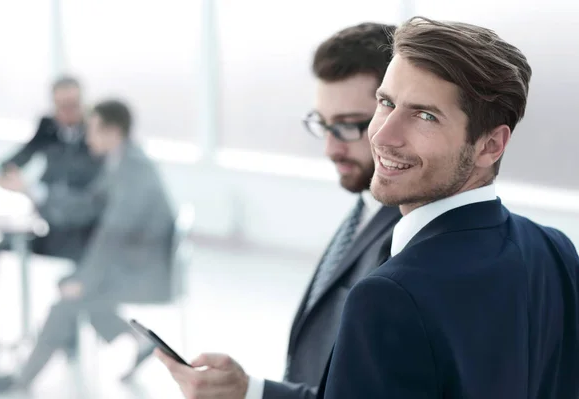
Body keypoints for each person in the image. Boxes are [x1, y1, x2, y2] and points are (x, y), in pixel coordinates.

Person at [317, 16, 579, 399]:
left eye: (425, 115)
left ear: (490, 145)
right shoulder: (556, 252)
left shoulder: (388, 296)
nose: (382, 134)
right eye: (386, 102)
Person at [156, 23, 401, 399]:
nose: (330, 150)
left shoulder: (409, 234)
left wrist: (251, 392)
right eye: (324, 125)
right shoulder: (365, 208)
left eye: (350, 126)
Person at [0, 99, 176, 392]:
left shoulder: (132, 170)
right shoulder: (121, 161)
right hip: (132, 259)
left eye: (92, 130)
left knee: (69, 299)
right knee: (79, 291)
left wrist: (84, 279)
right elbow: (87, 205)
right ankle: (136, 340)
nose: (87, 137)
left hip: (142, 269)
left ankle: (22, 380)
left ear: (112, 131)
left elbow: (113, 234)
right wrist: (30, 188)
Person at [0, 76, 103, 341]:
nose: (68, 113)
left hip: (77, 229)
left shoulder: (97, 133)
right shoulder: (48, 126)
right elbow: (23, 155)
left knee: (75, 276)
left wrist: (32, 190)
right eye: (61, 106)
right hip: (45, 221)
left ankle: (68, 339)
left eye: (74, 105)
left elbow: (89, 197)